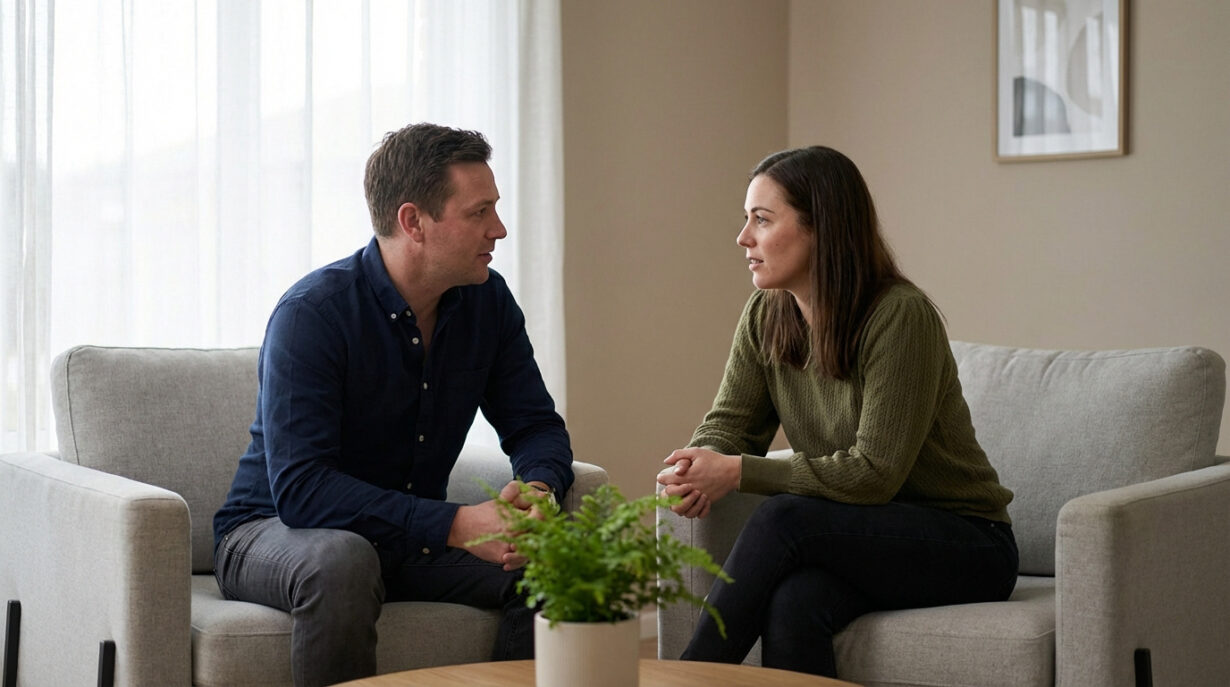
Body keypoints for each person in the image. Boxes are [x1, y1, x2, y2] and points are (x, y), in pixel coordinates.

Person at [212, 123, 573, 687]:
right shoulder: (313, 314)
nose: (498, 229)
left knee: (558, 560)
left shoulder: (488, 302)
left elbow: (535, 425)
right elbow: (303, 490)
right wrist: (455, 522)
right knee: (343, 559)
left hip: (405, 540)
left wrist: (538, 490)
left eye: (495, 209)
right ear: (413, 222)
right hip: (274, 531)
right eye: (480, 212)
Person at [656, 146, 1018, 678]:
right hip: (861, 534)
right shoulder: (767, 312)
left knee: (783, 515)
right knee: (796, 601)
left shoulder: (900, 317)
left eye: (762, 219)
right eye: (746, 219)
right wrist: (701, 461)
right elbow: (732, 422)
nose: (743, 238)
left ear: (820, 227)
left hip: (967, 542)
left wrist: (736, 472)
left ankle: (686, 680)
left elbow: (874, 476)